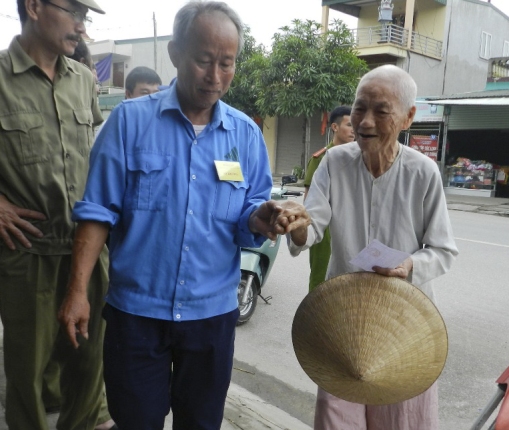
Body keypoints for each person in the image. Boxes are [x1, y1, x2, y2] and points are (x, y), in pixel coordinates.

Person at [58, 2, 304, 430]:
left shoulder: (245, 135)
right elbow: (96, 212)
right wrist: (78, 290)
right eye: (203, 60)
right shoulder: (129, 123)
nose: (214, 76)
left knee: (201, 422)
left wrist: (264, 217)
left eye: (226, 64)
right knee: (136, 421)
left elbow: (250, 215)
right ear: (175, 53)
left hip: (211, 318)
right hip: (136, 315)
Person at [286, 65, 459, 430]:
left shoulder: (423, 172)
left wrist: (409, 265)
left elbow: (443, 250)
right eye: (358, 109)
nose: (364, 122)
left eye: (381, 111)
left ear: (408, 117)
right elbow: (312, 226)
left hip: (403, 325)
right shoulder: (333, 162)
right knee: (337, 419)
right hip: (343, 322)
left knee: (401, 420)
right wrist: (298, 228)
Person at [0, 0, 115, 429]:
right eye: (75, 13)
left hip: (87, 247)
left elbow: (95, 160)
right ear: (33, 6)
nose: (81, 27)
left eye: (86, 17)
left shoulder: (84, 80)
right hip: (28, 253)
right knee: (28, 376)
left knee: (89, 368)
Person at [303, 106, 354, 291]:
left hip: (351, 229)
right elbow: (309, 202)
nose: (354, 130)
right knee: (320, 281)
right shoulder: (320, 158)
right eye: (349, 125)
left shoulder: (359, 159)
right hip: (324, 232)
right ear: (334, 127)